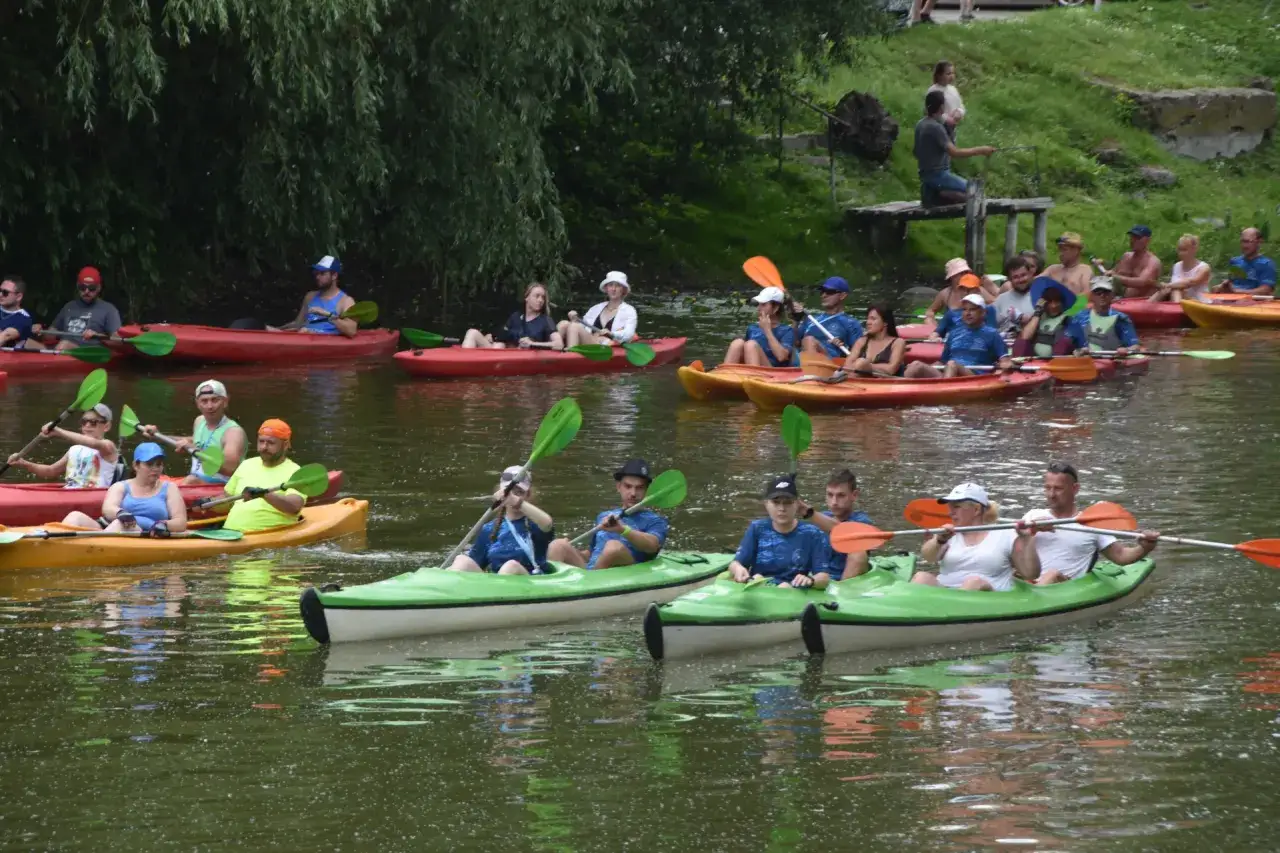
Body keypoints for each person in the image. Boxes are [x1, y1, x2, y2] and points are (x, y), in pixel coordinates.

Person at [1023, 462, 1158, 585]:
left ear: (1075, 489)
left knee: (1052, 575)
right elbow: (1012, 552)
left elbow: (1121, 556)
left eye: (1058, 489)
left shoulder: (1092, 523)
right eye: (1047, 488)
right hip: (1026, 584)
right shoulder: (1032, 516)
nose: (1051, 494)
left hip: (1062, 586)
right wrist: (1030, 532)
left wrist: (1145, 548)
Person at [912, 482, 1040, 591]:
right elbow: (928, 557)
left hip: (988, 597)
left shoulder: (1005, 534)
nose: (950, 513)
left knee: (973, 583)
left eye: (956, 507)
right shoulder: (947, 534)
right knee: (921, 577)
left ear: (976, 510)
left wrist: (1027, 539)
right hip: (947, 593)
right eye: (950, 507)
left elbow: (1030, 574)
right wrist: (939, 540)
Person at [546, 459, 669, 570]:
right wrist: (571, 550)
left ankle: (591, 582)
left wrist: (622, 529)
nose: (633, 493)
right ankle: (547, 583)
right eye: (628, 486)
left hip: (626, 572)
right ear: (619, 487)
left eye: (640, 488)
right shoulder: (604, 516)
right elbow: (592, 553)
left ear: (647, 490)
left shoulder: (656, 520)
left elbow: (653, 546)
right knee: (558, 545)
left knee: (613, 547)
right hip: (593, 572)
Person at [727, 475, 830, 588]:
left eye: (788, 502)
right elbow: (735, 563)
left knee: (784, 586)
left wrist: (810, 580)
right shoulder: (757, 528)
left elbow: (824, 577)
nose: (782, 508)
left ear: (797, 504)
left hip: (793, 590)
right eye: (776, 502)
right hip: (760, 587)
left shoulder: (812, 533)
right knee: (757, 577)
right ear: (766, 504)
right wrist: (738, 568)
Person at [60, 443, 188, 534]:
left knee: (120, 524)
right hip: (113, 527)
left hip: (146, 532)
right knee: (74, 516)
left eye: (159, 465)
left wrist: (164, 525)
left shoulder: (169, 488)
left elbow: (181, 522)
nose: (155, 469)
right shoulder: (120, 486)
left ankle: (93, 550)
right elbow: (108, 508)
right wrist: (120, 513)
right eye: (149, 464)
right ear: (136, 465)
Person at [448, 467, 554, 575]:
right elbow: (474, 564)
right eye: (509, 492)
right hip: (496, 582)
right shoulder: (489, 529)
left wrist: (516, 501)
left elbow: (548, 524)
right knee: (461, 561)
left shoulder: (536, 522)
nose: (513, 496)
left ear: (528, 495)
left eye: (519, 492)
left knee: (511, 566)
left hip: (530, 579)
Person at [143, 379, 247, 485]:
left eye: (215, 400)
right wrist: (158, 436)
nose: (210, 406)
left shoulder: (234, 432)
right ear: (198, 403)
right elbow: (195, 441)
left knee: (190, 480)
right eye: (204, 401)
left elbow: (229, 468)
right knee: (150, 478)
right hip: (196, 481)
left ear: (225, 401)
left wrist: (192, 449)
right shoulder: (200, 421)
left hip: (222, 485)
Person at [6, 404, 120, 488]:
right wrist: (24, 463)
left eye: (93, 422)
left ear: (106, 426)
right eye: (84, 421)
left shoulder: (108, 447)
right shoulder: (74, 449)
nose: (87, 425)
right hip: (70, 494)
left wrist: (58, 431)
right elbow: (51, 471)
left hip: (93, 497)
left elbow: (94, 443)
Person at [221, 419, 306, 533]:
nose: (264, 447)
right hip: (230, 533)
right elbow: (227, 501)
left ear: (285, 445)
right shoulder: (247, 464)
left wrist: (264, 494)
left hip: (265, 535)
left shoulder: (296, 472)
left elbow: (294, 507)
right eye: (261, 441)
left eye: (271, 443)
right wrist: (206, 503)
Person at [914, 91, 995, 206]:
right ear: (942, 107)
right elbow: (954, 152)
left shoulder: (920, 124)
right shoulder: (935, 128)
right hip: (939, 176)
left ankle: (935, 195)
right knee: (975, 191)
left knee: (965, 193)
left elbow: (916, 152)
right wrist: (981, 150)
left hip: (925, 177)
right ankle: (939, 195)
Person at [906, 294, 1012, 379]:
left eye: (972, 309)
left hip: (976, 377)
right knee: (916, 365)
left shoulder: (993, 334)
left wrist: (1003, 367)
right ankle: (902, 391)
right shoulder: (954, 333)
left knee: (952, 364)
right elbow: (942, 361)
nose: (968, 313)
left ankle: (943, 395)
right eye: (965, 309)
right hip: (949, 373)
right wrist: (929, 368)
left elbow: (1005, 361)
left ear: (983, 313)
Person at [799, 469, 873, 580]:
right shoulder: (822, 518)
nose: (834, 502)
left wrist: (809, 513)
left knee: (859, 554)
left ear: (854, 495)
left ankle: (842, 589)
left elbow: (842, 531)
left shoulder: (863, 521)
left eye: (841, 495)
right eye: (830, 495)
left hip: (847, 580)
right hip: (820, 578)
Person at [33, 267, 122, 351]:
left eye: (91, 288)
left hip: (88, 352)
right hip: (62, 350)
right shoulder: (69, 306)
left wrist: (98, 336)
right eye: (82, 288)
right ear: (77, 286)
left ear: (99, 288)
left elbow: (118, 342)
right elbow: (50, 335)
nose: (86, 291)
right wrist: (40, 331)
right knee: (28, 343)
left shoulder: (109, 309)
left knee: (64, 345)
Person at [270, 255, 357, 338]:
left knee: (304, 331)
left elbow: (351, 331)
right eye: (316, 273)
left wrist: (327, 314)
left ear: (334, 276)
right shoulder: (310, 296)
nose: (317, 277)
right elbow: (298, 323)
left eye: (322, 273)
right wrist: (278, 330)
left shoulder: (346, 301)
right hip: (304, 338)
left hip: (324, 343)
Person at [461, 282, 564, 351]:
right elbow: (504, 335)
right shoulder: (515, 317)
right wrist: (490, 337)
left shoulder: (546, 320)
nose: (540, 300)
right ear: (527, 298)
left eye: (543, 297)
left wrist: (532, 344)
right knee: (472, 333)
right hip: (505, 353)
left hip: (525, 357)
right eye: (537, 296)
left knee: (499, 346)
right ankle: (463, 362)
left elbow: (559, 345)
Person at [559, 271, 638, 348]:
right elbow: (583, 326)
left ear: (623, 290)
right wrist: (575, 319)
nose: (613, 289)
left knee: (574, 327)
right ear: (606, 288)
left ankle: (570, 353)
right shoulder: (595, 308)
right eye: (610, 285)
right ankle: (556, 349)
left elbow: (629, 334)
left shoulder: (630, 311)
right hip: (590, 341)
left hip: (605, 346)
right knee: (563, 324)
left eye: (618, 286)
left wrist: (612, 333)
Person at [1014, 277, 1088, 358]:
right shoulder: (1037, 318)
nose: (1053, 306)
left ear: (1062, 303)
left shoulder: (1070, 321)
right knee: (1020, 342)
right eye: (1050, 302)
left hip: (1058, 361)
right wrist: (1037, 313)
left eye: (1057, 301)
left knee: (1064, 343)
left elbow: (1082, 346)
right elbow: (1025, 337)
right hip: (1034, 361)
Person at [723, 287, 795, 367]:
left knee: (751, 344)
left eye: (763, 305)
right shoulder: (752, 328)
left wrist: (767, 330)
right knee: (738, 343)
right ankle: (725, 372)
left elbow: (781, 357)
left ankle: (754, 373)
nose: (758, 308)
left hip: (772, 371)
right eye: (759, 304)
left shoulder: (787, 331)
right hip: (751, 366)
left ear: (775, 308)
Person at [923, 258, 999, 332]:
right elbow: (931, 310)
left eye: (966, 272)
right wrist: (930, 319)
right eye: (961, 273)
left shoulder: (977, 290)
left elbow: (997, 305)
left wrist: (992, 288)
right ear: (952, 276)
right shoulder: (945, 294)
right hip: (953, 331)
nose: (965, 275)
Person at [794, 277, 863, 358]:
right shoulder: (810, 320)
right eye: (822, 291)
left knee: (809, 340)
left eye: (829, 292)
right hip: (804, 359)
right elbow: (794, 343)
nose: (824, 295)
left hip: (832, 362)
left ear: (842, 296)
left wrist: (844, 348)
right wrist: (796, 320)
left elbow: (857, 356)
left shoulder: (852, 324)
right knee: (808, 341)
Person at [1069, 280, 1141, 357]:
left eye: (1106, 292)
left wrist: (1127, 350)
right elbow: (1067, 340)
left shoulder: (1121, 318)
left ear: (1112, 296)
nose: (1102, 295)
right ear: (1091, 297)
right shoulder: (1079, 317)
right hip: (1084, 358)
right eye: (1098, 293)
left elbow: (1135, 346)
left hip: (1113, 359)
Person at [1094, 225, 1162, 298]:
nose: (1133, 240)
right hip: (1117, 298)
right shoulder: (1126, 256)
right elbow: (1114, 273)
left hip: (1140, 301)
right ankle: (1084, 303)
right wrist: (1103, 266)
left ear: (1148, 240)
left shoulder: (1153, 262)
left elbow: (1141, 282)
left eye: (1137, 238)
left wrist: (1116, 277)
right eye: (1132, 237)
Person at [843, 304, 907, 377]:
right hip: (858, 380)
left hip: (886, 382)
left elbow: (891, 369)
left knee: (861, 362)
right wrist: (862, 365)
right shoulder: (861, 341)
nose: (868, 322)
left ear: (885, 322)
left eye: (873, 319)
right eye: (868, 319)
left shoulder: (898, 342)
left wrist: (867, 366)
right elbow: (847, 366)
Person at [1149, 234, 1211, 303]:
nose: (1180, 253)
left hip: (1200, 303)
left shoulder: (1204, 268)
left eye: (1184, 250)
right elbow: (1174, 285)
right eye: (1179, 249)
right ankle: (1146, 305)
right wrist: (1162, 286)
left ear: (1194, 249)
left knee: (1175, 290)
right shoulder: (1176, 266)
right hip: (1183, 300)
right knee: (1164, 291)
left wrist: (1168, 285)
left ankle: (1175, 308)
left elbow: (1189, 283)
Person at [1212, 227, 1276, 295]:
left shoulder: (1266, 264)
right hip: (1232, 298)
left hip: (1252, 300)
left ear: (1259, 242)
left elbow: (1265, 290)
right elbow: (1231, 282)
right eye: (1242, 241)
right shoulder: (1234, 261)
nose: (1244, 245)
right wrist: (1221, 286)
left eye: (1248, 241)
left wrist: (1236, 291)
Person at [991, 256, 1037, 335]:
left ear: (1030, 274)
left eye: (1023, 275)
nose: (1020, 280)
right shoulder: (1001, 300)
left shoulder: (1040, 296)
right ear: (1009, 279)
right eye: (1015, 277)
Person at [1042, 232, 1094, 297]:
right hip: (1050, 302)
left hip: (1076, 303)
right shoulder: (1052, 269)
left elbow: (1087, 293)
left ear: (1075, 251)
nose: (1061, 253)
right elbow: (1036, 282)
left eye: (1064, 250)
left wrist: (1068, 302)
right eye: (1060, 249)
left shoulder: (1085, 270)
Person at [927, 61, 965, 140]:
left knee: (951, 143)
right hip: (938, 126)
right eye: (948, 74)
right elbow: (930, 110)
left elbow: (960, 105)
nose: (952, 76)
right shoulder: (933, 90)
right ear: (939, 75)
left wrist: (959, 112)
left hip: (952, 127)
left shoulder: (953, 89)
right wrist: (946, 119)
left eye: (953, 73)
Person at [0, 275, 33, 348]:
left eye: (5, 292)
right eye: (0, 290)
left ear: (19, 297)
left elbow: (4, 336)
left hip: (8, 355)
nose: (0, 295)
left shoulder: (23, 319)